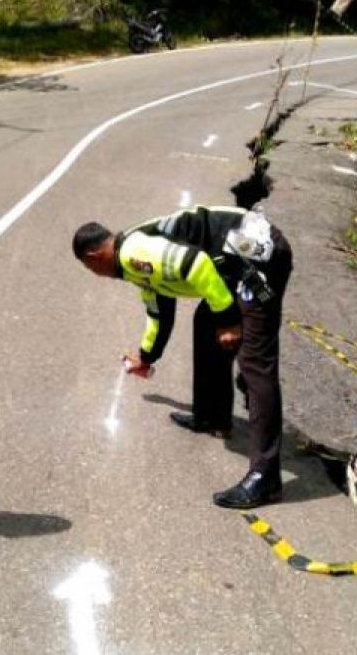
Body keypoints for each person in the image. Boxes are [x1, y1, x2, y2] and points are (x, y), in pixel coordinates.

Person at [72, 205, 293, 509]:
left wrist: (229, 321)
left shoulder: (135, 252)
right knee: (206, 323)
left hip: (257, 255)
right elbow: (159, 311)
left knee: (255, 364)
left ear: (93, 258)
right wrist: (146, 356)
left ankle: (265, 478)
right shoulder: (136, 261)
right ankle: (212, 416)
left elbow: (197, 264)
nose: (95, 276)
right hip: (234, 261)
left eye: (88, 269)